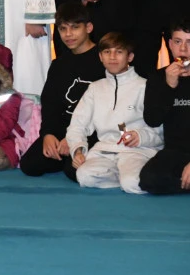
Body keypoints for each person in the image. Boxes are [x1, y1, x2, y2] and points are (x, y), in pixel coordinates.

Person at [66, 32, 162, 194]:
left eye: (119, 52)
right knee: (84, 176)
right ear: (100, 57)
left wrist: (140, 136)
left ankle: (129, 177)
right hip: (104, 151)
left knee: (132, 184)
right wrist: (78, 150)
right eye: (107, 52)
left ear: (130, 57)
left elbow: (160, 130)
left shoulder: (145, 87)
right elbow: (77, 125)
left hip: (137, 151)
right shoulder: (95, 88)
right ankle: (123, 176)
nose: (112, 57)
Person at [19, 3, 106, 180]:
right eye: (63, 29)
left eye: (75, 28)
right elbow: (50, 105)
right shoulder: (59, 64)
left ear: (88, 28)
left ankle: (76, 159)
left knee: (74, 172)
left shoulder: (104, 60)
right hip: (63, 130)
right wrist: (48, 134)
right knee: (29, 165)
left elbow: (108, 109)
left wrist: (76, 138)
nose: (68, 34)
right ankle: (64, 155)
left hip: (93, 131)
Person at [140, 18, 190, 194]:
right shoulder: (158, 77)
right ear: (170, 44)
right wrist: (169, 86)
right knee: (148, 179)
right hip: (176, 151)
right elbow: (152, 120)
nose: (183, 49)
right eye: (178, 42)